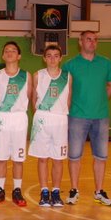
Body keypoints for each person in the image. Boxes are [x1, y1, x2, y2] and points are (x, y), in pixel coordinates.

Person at [62, 31, 111, 206]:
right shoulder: (70, 65)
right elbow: (65, 90)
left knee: (101, 156)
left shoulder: (106, 63)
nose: (92, 42)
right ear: (80, 42)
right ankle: (74, 189)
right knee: (74, 155)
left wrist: (101, 99)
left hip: (101, 117)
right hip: (77, 116)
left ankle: (99, 191)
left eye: (95, 40)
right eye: (88, 39)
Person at [0, 41, 32, 207]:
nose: (10, 52)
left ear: (19, 56)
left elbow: (29, 97)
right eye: (6, 50)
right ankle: (0, 190)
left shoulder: (26, 76)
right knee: (1, 157)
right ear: (2, 55)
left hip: (19, 118)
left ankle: (17, 190)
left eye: (13, 50)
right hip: (3, 118)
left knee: (18, 158)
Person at [29, 45, 71, 207]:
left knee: (58, 159)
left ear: (61, 58)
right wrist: (40, 116)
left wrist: (60, 114)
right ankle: (44, 191)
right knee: (42, 158)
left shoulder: (67, 76)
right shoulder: (38, 75)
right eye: (49, 55)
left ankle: (56, 192)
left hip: (60, 120)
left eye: (56, 55)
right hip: (42, 119)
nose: (52, 59)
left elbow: (68, 100)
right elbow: (34, 99)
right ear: (44, 58)